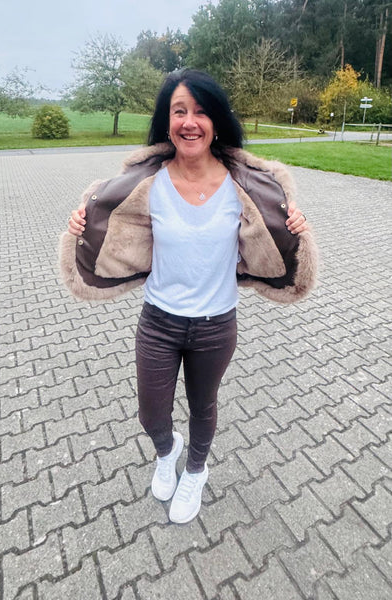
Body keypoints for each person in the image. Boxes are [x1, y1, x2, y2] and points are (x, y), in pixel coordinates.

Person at [61, 69, 317, 524]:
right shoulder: (147, 184)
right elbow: (109, 220)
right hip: (158, 322)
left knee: (204, 407)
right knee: (150, 413)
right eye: (179, 111)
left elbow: (274, 232)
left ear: (216, 121)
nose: (190, 122)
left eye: (200, 111)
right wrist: (83, 225)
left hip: (216, 325)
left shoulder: (245, 187)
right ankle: (167, 452)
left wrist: (296, 228)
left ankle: (196, 470)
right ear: (167, 122)